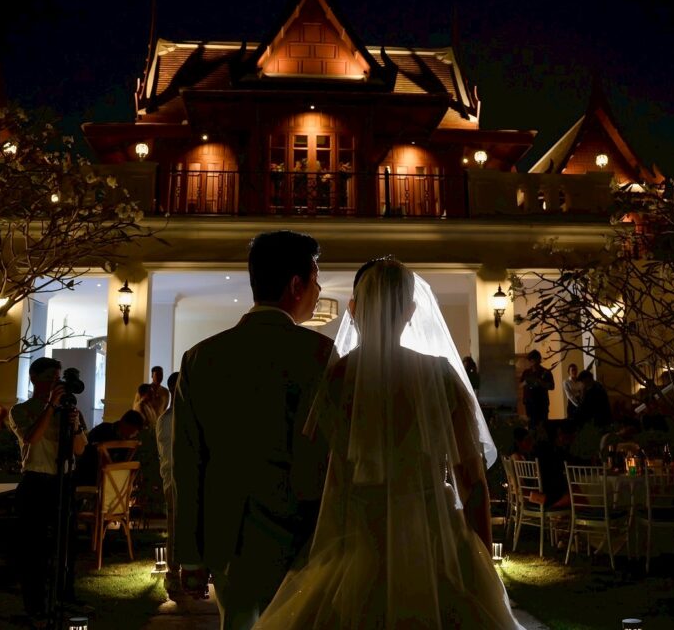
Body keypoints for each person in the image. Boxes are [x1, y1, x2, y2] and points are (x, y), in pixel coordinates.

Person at [256, 257, 523, 629]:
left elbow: (317, 475)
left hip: (358, 542)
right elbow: (472, 480)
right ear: (410, 312)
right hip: (435, 541)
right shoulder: (440, 375)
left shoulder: (334, 379)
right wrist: (480, 560)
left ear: (353, 310)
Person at [172, 230, 334, 630]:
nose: (318, 291)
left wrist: (189, 555)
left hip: (227, 533)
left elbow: (187, 462)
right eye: (315, 280)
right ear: (296, 285)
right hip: (303, 532)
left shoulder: (201, 357)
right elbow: (330, 451)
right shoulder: (320, 354)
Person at [7, 357, 89, 629]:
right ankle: (36, 605)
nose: (56, 384)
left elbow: (80, 449)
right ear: (34, 379)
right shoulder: (22, 410)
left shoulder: (70, 410)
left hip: (63, 481)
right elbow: (31, 437)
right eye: (50, 378)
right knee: (35, 549)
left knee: (67, 544)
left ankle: (66, 596)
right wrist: (51, 406)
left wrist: (74, 423)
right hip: (36, 481)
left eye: (58, 378)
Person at [156, 371, 181, 594]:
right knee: (174, 529)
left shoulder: (167, 418)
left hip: (175, 480)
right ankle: (173, 575)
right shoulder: (169, 419)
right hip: (175, 482)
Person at [74, 409, 145, 486]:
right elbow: (84, 452)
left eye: (133, 434)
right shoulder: (102, 430)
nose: (129, 436)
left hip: (116, 483)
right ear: (122, 422)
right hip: (89, 478)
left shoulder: (133, 443)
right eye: (128, 430)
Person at [520, 349, 554, 428]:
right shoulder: (526, 372)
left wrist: (540, 382)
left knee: (543, 426)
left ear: (539, 359)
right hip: (529, 403)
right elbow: (520, 385)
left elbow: (552, 386)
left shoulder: (546, 372)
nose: (533, 362)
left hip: (541, 403)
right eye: (531, 360)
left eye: (534, 359)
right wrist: (526, 382)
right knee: (531, 426)